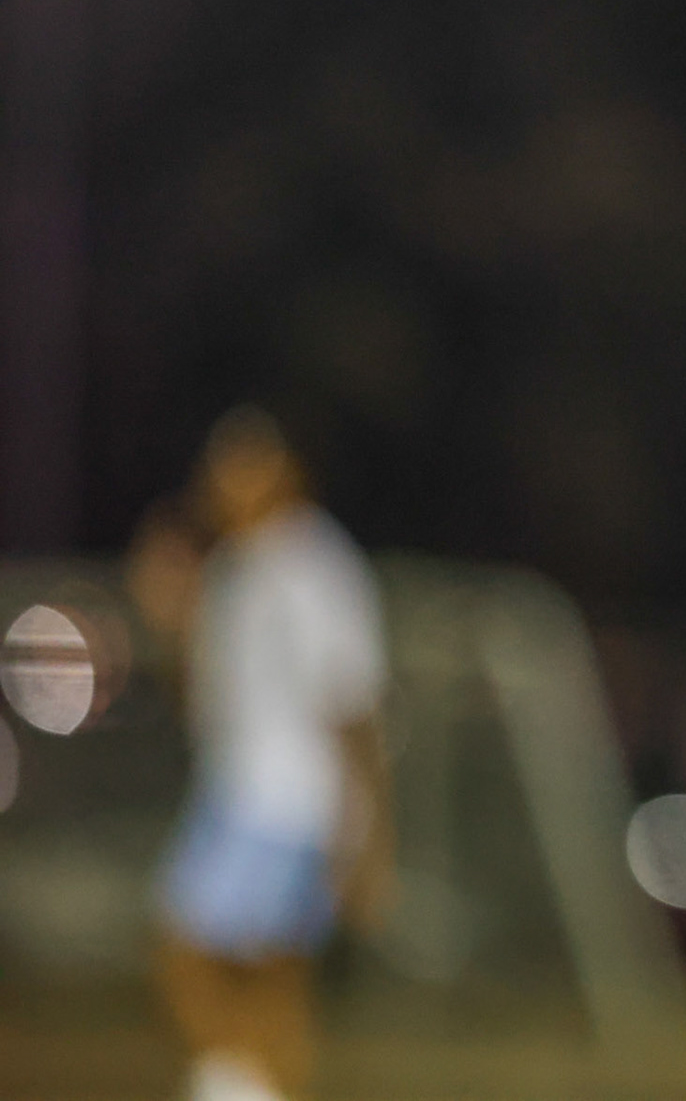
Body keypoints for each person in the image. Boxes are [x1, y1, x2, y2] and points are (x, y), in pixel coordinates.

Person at [132, 406, 393, 1101]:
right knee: (264, 974)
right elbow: (201, 700)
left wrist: (367, 830)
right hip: (234, 790)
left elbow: (352, 702)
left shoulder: (314, 564)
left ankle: (235, 1085)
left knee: (191, 949)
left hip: (288, 800)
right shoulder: (234, 570)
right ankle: (246, 1085)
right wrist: (174, 616)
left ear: (286, 476)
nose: (228, 488)